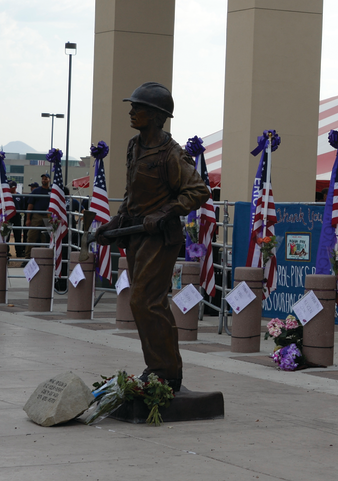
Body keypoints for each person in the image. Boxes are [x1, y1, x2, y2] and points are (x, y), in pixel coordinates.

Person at [94, 81, 209, 392]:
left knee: (148, 301)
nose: (132, 112)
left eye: (139, 108)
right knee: (141, 303)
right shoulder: (134, 146)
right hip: (135, 235)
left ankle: (168, 372)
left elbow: (198, 191)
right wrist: (114, 222)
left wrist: (165, 212)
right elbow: (133, 195)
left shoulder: (171, 154)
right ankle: (156, 368)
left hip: (160, 237)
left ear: (158, 117)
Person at [26, 180, 50, 257]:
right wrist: (28, 219)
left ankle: (44, 256)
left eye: (45, 178)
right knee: (32, 236)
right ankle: (28, 256)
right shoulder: (36, 191)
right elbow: (30, 205)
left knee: (46, 237)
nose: (44, 180)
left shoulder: (52, 191)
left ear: (49, 180)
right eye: (42, 178)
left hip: (48, 215)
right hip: (37, 215)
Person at [9, 180, 25, 257]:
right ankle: (6, 251)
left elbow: (22, 206)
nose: (10, 188)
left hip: (17, 216)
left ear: (15, 187)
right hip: (8, 216)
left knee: (18, 235)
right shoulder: (7, 196)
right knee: (6, 234)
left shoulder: (19, 196)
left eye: (11, 187)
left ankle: (19, 252)